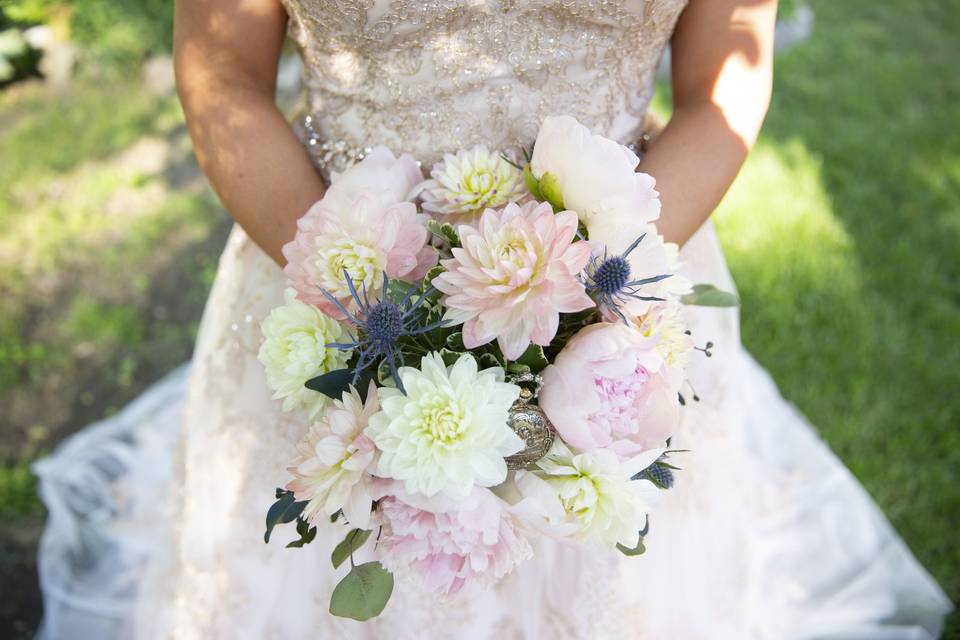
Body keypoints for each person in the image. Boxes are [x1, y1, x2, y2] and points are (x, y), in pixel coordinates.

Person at [34, 1, 952, 638]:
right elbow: (224, 81)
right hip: (327, 275)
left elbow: (722, 90)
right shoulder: (340, 286)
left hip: (616, 293)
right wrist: (368, 306)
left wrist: (583, 304)